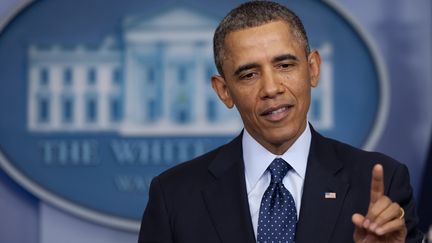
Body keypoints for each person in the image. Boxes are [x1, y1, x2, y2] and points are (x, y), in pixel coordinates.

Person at [138, 1, 424, 242]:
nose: (271, 88)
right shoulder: (173, 196)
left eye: (285, 66)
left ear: (312, 69)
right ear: (224, 91)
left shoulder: (383, 185)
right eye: (249, 74)